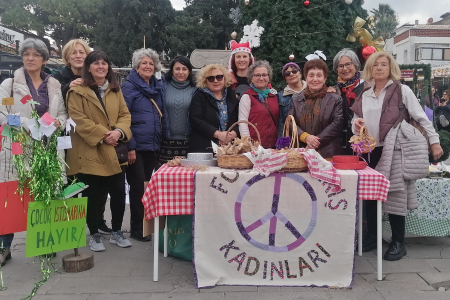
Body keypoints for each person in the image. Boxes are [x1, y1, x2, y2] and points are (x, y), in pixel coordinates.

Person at [351, 52, 443, 261]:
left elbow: (421, 117)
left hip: (394, 149)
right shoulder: (364, 92)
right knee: (371, 195)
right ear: (370, 69)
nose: (380, 68)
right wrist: (356, 125)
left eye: (384, 64)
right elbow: (356, 120)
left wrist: (434, 141)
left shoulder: (403, 90)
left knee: (395, 195)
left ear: (390, 68)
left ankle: (398, 242)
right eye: (376, 65)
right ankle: (373, 236)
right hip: (369, 151)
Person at [0, 38, 67, 265]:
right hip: (19, 148)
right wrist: (25, 123)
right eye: (26, 54)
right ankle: (4, 247)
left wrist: (58, 122)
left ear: (44, 59)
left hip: (46, 149)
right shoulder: (9, 85)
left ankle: (42, 242)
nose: (30, 58)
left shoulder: (54, 84)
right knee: (12, 196)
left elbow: (63, 114)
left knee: (43, 194)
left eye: (35, 55)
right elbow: (1, 113)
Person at [66, 51, 132, 252]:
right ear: (88, 67)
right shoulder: (76, 91)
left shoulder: (115, 89)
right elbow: (79, 120)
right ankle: (94, 233)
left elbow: (125, 114)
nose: (101, 67)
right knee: (93, 195)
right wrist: (105, 134)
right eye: (96, 63)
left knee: (119, 193)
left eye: (104, 63)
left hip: (113, 149)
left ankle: (117, 231)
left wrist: (118, 132)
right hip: (91, 149)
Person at [121, 48, 170, 242]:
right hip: (136, 146)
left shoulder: (157, 87)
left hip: (152, 145)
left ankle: (145, 225)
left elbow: (161, 115)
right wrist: (130, 146)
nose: (148, 66)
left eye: (151, 63)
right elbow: (123, 118)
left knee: (147, 186)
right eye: (144, 63)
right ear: (136, 66)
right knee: (137, 187)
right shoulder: (129, 87)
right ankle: (135, 228)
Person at [287, 58, 343, 159]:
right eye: (311, 75)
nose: (315, 79)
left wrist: (314, 142)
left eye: (319, 75)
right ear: (306, 78)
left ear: (325, 78)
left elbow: (337, 124)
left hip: (328, 153)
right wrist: (306, 137)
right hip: (302, 152)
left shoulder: (335, 99)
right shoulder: (296, 99)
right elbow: (290, 122)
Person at [189, 64, 239, 153]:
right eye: (211, 78)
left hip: (231, 148)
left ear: (224, 78)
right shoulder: (199, 97)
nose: (215, 81)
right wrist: (218, 134)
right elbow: (196, 120)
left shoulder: (233, 96)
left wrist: (234, 133)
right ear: (205, 81)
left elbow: (240, 119)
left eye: (219, 77)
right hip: (205, 147)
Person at [158, 56, 197, 167]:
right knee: (165, 179)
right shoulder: (162, 86)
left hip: (189, 142)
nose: (181, 72)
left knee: (187, 179)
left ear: (189, 71)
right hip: (165, 142)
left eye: (184, 69)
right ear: (172, 70)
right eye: (177, 69)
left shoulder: (196, 89)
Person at [332, 49, 366, 155]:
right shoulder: (334, 91)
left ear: (355, 65)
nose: (345, 69)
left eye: (348, 64)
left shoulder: (368, 87)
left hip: (363, 142)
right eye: (340, 66)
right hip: (340, 144)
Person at [239, 60, 279, 148]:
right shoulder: (247, 97)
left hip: (275, 146)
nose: (261, 78)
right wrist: (248, 145)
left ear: (269, 77)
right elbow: (243, 123)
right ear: (251, 78)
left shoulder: (275, 95)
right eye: (257, 75)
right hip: (255, 147)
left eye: (264, 75)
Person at [277, 62, 307, 137]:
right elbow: (281, 122)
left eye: (294, 71)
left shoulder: (312, 91)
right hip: (291, 139)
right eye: (287, 74)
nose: (291, 74)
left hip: (311, 136)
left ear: (300, 74)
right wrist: (281, 142)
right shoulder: (280, 96)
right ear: (285, 79)